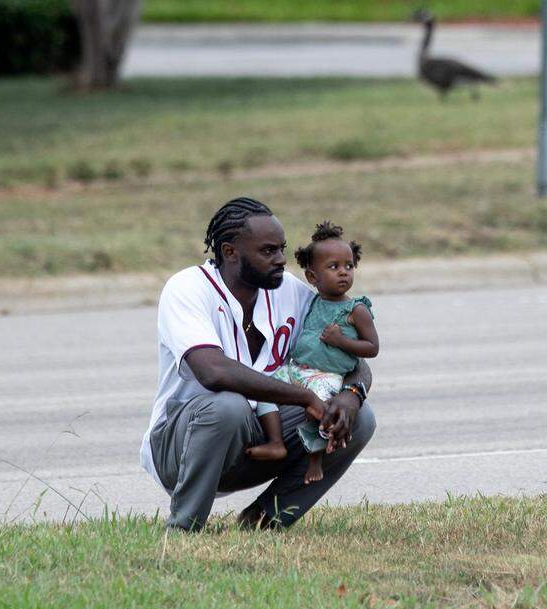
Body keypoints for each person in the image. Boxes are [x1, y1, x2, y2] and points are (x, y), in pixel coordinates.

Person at [139, 197, 375, 531]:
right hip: (182, 446)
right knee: (228, 407)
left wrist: (352, 393)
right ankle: (183, 528)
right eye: (267, 251)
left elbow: (349, 358)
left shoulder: (289, 292)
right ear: (230, 252)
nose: (280, 259)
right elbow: (212, 371)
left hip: (266, 440)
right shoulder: (187, 288)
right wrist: (307, 398)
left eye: (282, 248)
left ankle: (264, 521)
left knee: (359, 417)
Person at [248, 221, 379, 484]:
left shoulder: (356, 310)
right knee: (264, 388)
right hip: (299, 369)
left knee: (317, 411)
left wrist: (340, 340)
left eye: (349, 266)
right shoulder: (311, 301)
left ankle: (315, 460)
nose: (344, 273)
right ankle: (275, 441)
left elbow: (372, 348)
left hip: (325, 376)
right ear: (312, 277)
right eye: (333, 267)